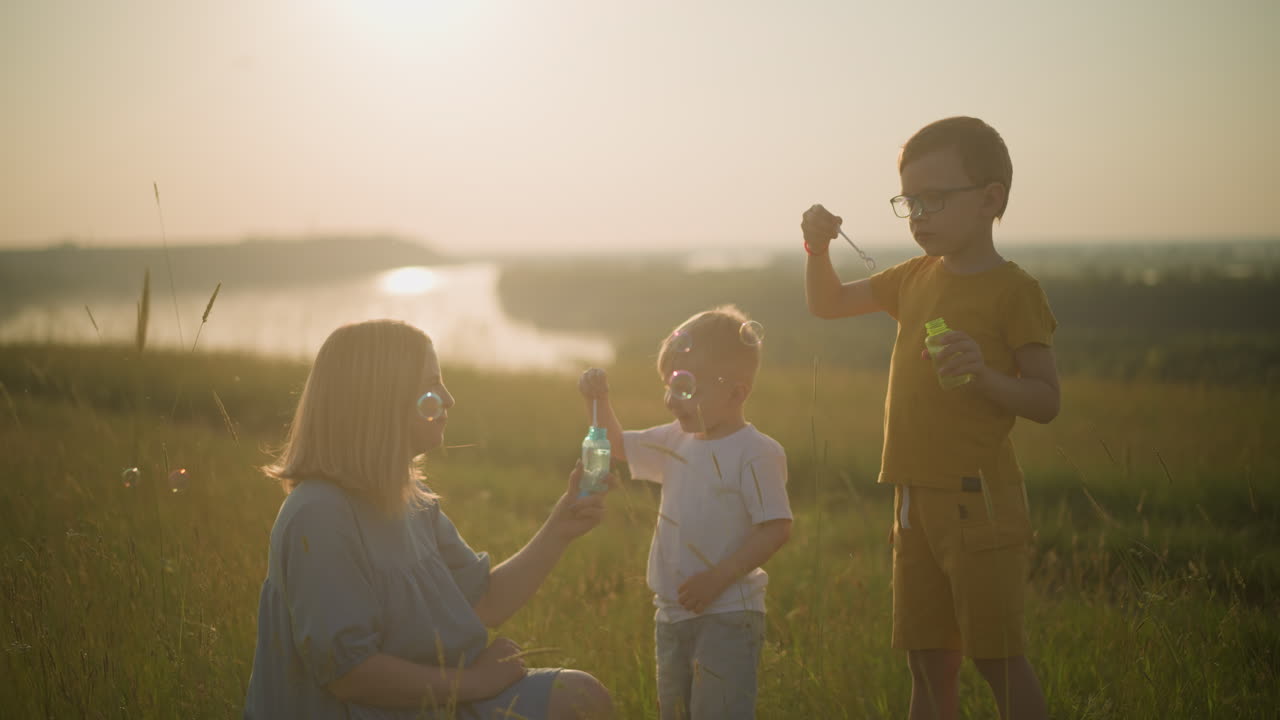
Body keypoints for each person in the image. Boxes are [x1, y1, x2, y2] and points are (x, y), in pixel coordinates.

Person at [802, 116, 1058, 720]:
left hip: (980, 501)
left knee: (996, 659)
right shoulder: (912, 278)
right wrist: (817, 249)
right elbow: (828, 302)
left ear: (990, 199)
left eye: (934, 199)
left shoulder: (1014, 291)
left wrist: (986, 376)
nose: (918, 213)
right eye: (909, 200)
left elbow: (1046, 400)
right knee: (927, 662)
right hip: (912, 500)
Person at [244, 319, 615, 719]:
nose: (449, 399)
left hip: (430, 702)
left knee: (580, 697)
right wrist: (477, 681)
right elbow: (349, 675)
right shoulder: (319, 514)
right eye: (432, 385)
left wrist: (560, 526)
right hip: (362, 710)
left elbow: (484, 601)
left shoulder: (411, 500)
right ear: (382, 401)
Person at [578, 305, 792, 720]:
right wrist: (599, 401)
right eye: (670, 386)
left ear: (736, 393)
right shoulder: (678, 439)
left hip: (729, 614)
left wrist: (718, 578)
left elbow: (776, 527)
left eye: (686, 388)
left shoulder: (756, 452)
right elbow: (619, 446)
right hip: (672, 614)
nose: (672, 401)